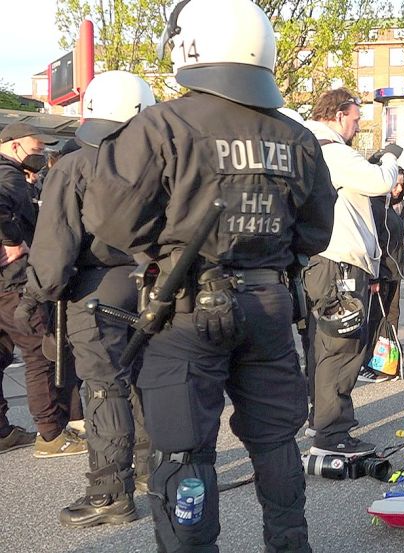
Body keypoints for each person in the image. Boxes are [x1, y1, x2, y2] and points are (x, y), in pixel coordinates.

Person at [84, 1, 336, 549]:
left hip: (183, 311)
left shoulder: (162, 124)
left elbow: (108, 221)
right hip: (269, 305)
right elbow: (315, 234)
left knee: (182, 451)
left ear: (191, 46)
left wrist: (161, 248)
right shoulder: (297, 137)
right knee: (275, 442)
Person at [19, 71, 156, 527]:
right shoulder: (160, 164)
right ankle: (149, 472)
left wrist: (35, 296)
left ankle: (109, 494)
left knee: (103, 390)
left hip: (95, 292)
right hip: (153, 286)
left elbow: (54, 249)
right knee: (144, 384)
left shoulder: (77, 166)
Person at [303, 87, 401, 433]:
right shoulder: (332, 152)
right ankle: (332, 432)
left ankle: (321, 421)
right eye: (356, 119)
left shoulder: (308, 146)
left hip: (323, 261)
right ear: (339, 114)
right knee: (342, 349)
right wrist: (390, 157)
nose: (358, 127)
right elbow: (380, 182)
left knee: (324, 345)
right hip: (340, 261)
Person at [0, 121, 87, 459]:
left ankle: (3, 431)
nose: (40, 154)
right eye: (36, 148)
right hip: (18, 284)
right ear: (15, 144)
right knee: (39, 356)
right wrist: (15, 241)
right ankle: (51, 435)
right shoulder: (8, 175)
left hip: (4, 287)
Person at [368, 168, 404, 366]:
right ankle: (375, 355)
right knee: (379, 315)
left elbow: (401, 241)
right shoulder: (376, 208)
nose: (398, 189)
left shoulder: (394, 208)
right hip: (382, 271)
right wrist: (374, 277)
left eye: (402, 184)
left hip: (395, 271)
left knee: (393, 313)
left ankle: (391, 351)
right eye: (395, 184)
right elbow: (373, 241)